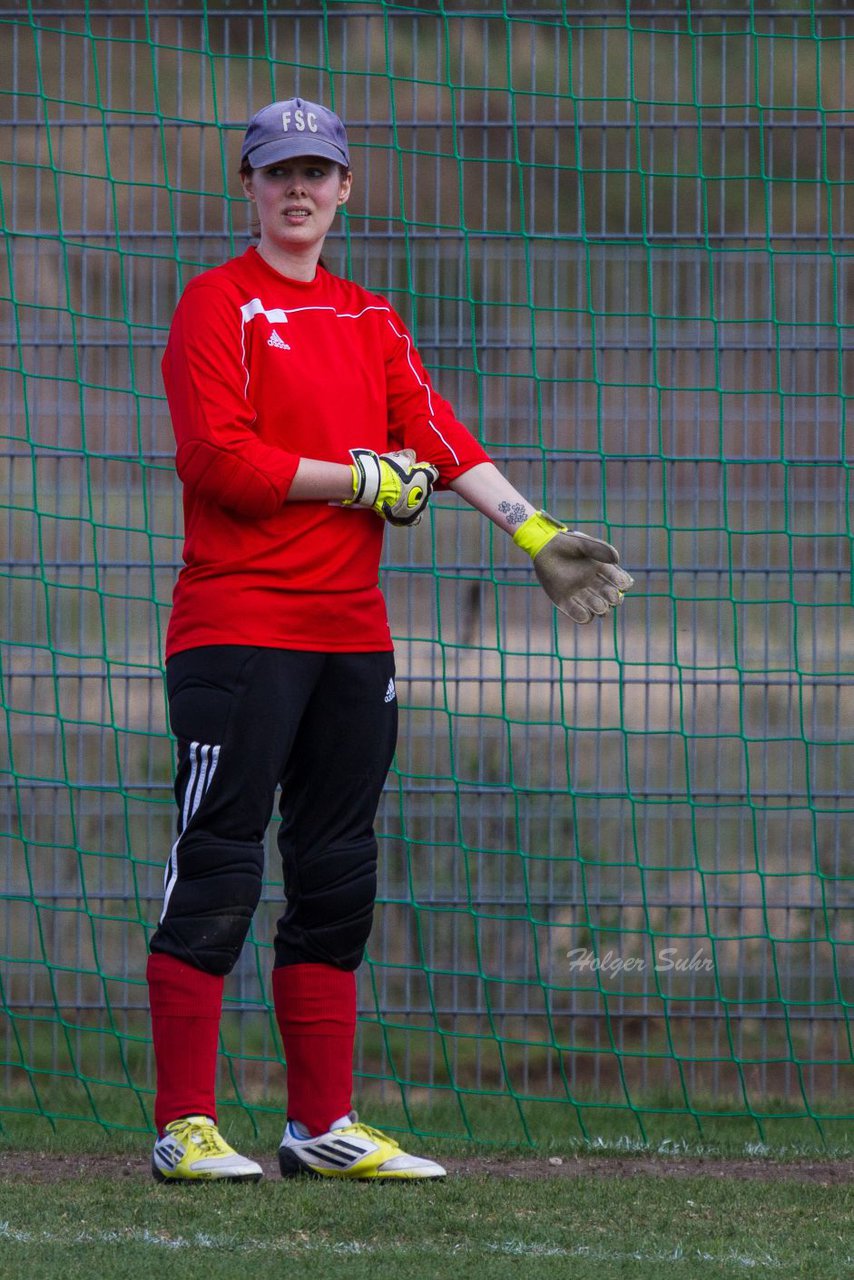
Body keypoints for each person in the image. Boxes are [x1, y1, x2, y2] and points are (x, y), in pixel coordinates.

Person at [147, 96, 633, 1184]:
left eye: (317, 171)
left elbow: (436, 429)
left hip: (352, 641)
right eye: (278, 172)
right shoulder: (214, 303)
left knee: (334, 874)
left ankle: (321, 1125)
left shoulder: (370, 316)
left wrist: (534, 532)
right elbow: (217, 460)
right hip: (235, 630)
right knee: (219, 866)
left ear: (346, 188)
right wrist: (360, 478)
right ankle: (184, 1122)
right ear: (248, 186)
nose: (298, 189)